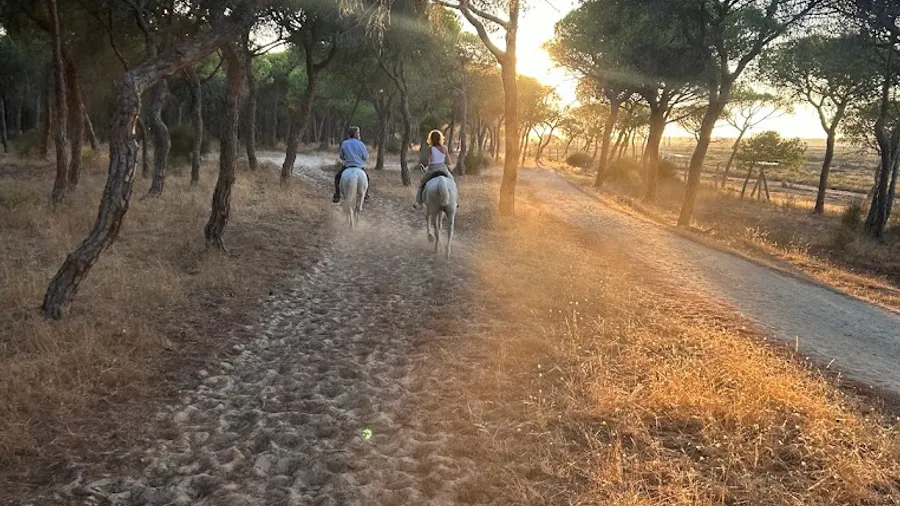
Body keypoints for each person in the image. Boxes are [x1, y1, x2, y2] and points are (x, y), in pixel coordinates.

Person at [414, 130, 455, 209]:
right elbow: (448, 161)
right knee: (452, 182)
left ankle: (418, 202)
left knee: (422, 184)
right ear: (440, 138)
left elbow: (429, 162)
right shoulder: (445, 148)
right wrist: (450, 166)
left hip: (432, 169)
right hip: (443, 169)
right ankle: (454, 201)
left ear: (431, 139)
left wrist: (427, 167)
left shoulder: (431, 149)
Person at [333, 126, 369, 203]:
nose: (359, 134)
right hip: (359, 167)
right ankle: (366, 194)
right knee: (367, 178)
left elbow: (341, 156)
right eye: (358, 132)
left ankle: (337, 195)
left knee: (337, 178)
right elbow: (366, 157)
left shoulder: (344, 143)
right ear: (356, 134)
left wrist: (347, 158)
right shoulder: (361, 144)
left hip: (347, 167)